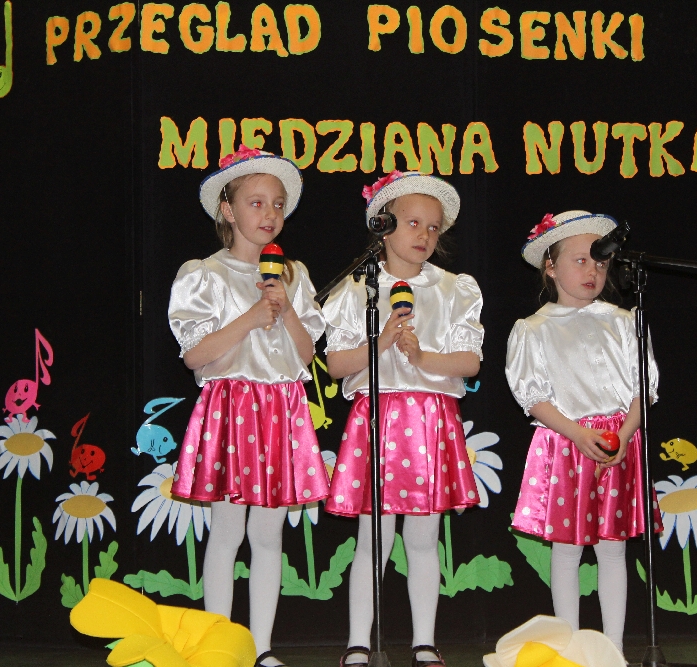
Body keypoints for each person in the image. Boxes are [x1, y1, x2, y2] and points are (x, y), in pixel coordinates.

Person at [168, 145, 329, 667]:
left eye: (277, 204)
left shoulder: (293, 274)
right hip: (231, 405)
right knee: (227, 530)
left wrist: (284, 309)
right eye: (256, 203)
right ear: (228, 209)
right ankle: (218, 647)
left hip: (281, 407)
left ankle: (261, 648)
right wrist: (252, 315)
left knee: (268, 533)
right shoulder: (204, 273)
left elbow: (306, 355)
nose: (270, 214)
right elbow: (195, 354)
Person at [323, 171, 484, 667]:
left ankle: (424, 642)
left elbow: (470, 361)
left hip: (430, 418)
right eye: (413, 223)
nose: (424, 235)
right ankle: (358, 643)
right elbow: (336, 364)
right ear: (384, 225)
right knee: (373, 538)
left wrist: (423, 357)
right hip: (378, 417)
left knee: (423, 538)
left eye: (433, 228)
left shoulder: (454, 289)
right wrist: (381, 342)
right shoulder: (357, 289)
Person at [505, 210, 661, 653]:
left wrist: (625, 435)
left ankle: (613, 649)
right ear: (550, 267)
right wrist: (577, 433)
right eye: (580, 260)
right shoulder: (533, 329)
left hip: (619, 441)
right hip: (565, 444)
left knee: (613, 548)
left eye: (600, 262)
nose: (592, 271)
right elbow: (532, 397)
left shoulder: (624, 321)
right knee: (567, 550)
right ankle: (570, 648)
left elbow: (644, 388)